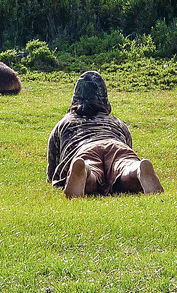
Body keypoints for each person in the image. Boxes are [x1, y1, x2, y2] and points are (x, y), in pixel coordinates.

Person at [47, 70, 163, 199]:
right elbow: (128, 144)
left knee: (92, 174)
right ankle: (137, 169)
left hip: (85, 149)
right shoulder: (116, 122)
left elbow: (53, 164)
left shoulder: (65, 122)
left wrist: (53, 178)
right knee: (124, 165)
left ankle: (85, 170)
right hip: (117, 146)